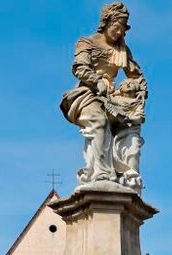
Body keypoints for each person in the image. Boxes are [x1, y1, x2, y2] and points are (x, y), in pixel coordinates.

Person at [60, 3, 147, 188]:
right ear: (106, 23)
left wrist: (139, 93)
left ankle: (127, 176)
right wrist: (96, 80)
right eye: (116, 27)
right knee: (99, 120)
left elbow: (136, 76)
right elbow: (79, 68)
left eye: (123, 30)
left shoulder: (122, 50)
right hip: (87, 93)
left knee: (131, 126)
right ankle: (100, 173)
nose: (119, 33)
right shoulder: (87, 42)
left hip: (112, 97)